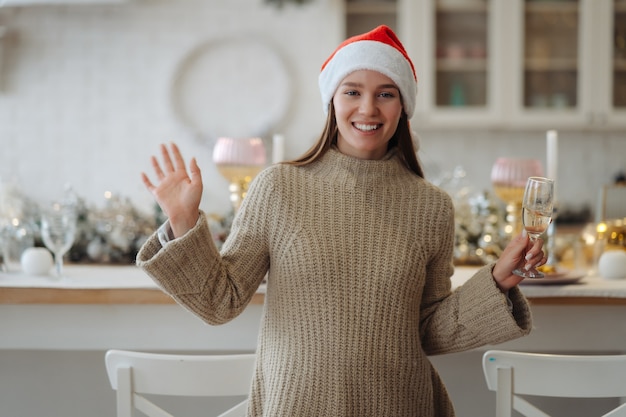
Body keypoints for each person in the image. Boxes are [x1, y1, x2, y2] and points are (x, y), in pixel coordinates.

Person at [137, 25, 543, 417]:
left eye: (386, 94)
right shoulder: (278, 188)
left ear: (404, 107)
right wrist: (182, 222)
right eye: (353, 92)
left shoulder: (430, 206)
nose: (368, 108)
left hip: (399, 406)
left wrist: (498, 282)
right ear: (332, 101)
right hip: (296, 406)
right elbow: (219, 302)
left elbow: (425, 329)